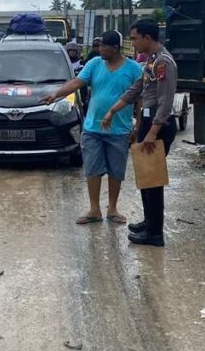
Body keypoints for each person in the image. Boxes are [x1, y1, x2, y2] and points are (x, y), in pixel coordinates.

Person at [42, 31, 142, 226]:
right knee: (92, 169)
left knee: (116, 170)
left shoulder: (134, 69)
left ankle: (112, 208)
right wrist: (57, 94)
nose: (99, 49)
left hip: (119, 129)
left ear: (115, 47)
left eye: (103, 46)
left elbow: (140, 98)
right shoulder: (94, 64)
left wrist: (137, 125)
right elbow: (77, 83)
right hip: (92, 128)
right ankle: (94, 209)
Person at [101, 19, 179, 247]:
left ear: (147, 38)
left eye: (135, 38)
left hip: (158, 124)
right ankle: (149, 222)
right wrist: (113, 110)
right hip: (147, 121)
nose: (132, 43)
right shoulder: (152, 61)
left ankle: (155, 234)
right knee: (146, 177)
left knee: (152, 180)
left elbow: (165, 102)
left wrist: (152, 132)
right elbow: (137, 88)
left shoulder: (164, 62)